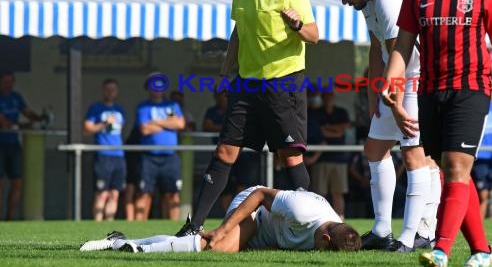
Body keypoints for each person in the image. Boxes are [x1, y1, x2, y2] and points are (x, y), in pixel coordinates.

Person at [383, 0, 492, 267]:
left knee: (457, 168)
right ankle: (482, 252)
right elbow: (402, 45)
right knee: (452, 172)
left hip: (471, 88)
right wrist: (393, 86)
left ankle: (441, 249)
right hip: (430, 89)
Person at [178, 0, 319, 235]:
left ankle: (309, 225)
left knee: (290, 156)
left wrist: (296, 24)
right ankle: (193, 228)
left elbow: (313, 35)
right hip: (246, 84)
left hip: (283, 83)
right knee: (224, 152)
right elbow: (238, 33)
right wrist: (225, 72)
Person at [328, 0, 433, 253]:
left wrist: (397, 106)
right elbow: (376, 50)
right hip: (393, 84)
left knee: (414, 156)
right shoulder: (367, 1)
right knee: (374, 149)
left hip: (414, 81)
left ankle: (410, 236)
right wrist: (376, 95)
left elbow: (397, 56)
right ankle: (382, 230)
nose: (345, 2)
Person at [79, 186, 361, 253]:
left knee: (187, 243)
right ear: (325, 237)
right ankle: (135, 249)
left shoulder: (335, 229)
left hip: (270, 233)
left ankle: (121, 240)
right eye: (323, 249)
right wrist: (222, 230)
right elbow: (261, 195)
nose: (318, 253)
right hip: (253, 210)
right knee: (214, 246)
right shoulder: (303, 210)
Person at [385, 0, 443, 249]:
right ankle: (427, 230)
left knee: (416, 156)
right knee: (430, 160)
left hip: (430, 86)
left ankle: (410, 235)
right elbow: (401, 48)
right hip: (420, 84)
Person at [135, 73, 185, 220]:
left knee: (172, 194)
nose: (157, 88)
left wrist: (155, 122)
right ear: (148, 87)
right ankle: (137, 230)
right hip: (148, 156)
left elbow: (180, 124)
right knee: (144, 194)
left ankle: (175, 232)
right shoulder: (143, 106)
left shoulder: (172, 105)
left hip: (170, 156)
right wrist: (168, 123)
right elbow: (144, 129)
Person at [0, 71, 43, 220]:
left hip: (13, 144)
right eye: (5, 81)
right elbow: (4, 122)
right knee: (0, 183)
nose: (8, 84)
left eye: (10, 81)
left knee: (17, 181)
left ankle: (10, 219)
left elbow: (28, 113)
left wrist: (40, 118)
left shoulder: (16, 97)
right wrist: (23, 125)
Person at [83, 78, 126, 221]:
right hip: (103, 155)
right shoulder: (95, 108)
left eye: (113, 90)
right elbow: (87, 129)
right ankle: (98, 223)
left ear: (117, 91)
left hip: (118, 155)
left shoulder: (120, 109)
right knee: (102, 192)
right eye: (107, 89)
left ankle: (109, 224)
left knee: (115, 193)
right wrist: (104, 123)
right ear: (103, 90)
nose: (110, 92)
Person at [311, 89, 351, 218]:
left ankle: (340, 218)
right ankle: (320, 218)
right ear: (322, 97)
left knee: (337, 192)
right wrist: (335, 129)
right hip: (321, 158)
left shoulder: (342, 112)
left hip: (339, 158)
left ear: (334, 97)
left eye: (330, 96)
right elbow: (320, 132)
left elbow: (342, 130)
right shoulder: (315, 113)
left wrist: (327, 127)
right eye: (326, 96)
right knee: (319, 193)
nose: (328, 98)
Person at [471, 79, 492, 219]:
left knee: (486, 193)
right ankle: (477, 224)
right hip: (479, 155)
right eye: (491, 88)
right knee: (482, 194)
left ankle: (479, 223)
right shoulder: (476, 104)